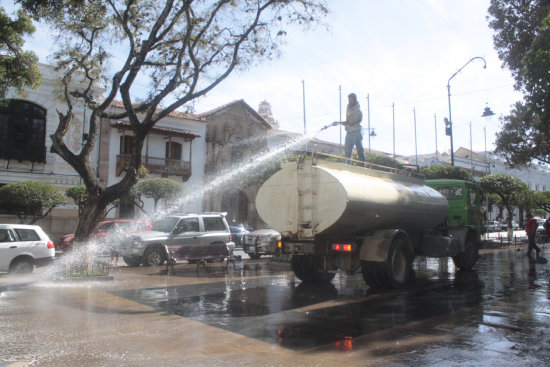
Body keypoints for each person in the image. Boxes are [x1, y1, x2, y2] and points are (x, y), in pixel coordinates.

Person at [334, 93, 366, 162]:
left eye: (351, 100)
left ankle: (363, 166)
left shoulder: (358, 111)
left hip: (356, 132)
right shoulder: (348, 108)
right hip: (349, 133)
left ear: (355, 100)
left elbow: (350, 122)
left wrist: (338, 123)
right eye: (349, 100)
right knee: (347, 152)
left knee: (360, 151)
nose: (349, 101)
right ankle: (348, 167)